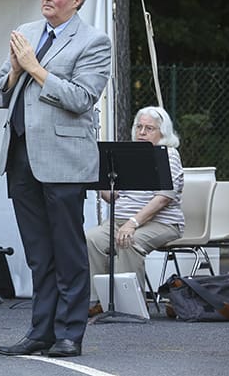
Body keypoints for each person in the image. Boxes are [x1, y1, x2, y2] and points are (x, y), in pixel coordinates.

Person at [0, 0, 111, 358]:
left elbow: (81, 98)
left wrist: (35, 69)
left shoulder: (93, 42)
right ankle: (40, 331)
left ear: (76, 1)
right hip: (21, 155)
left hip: (63, 158)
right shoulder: (25, 33)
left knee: (68, 249)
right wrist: (12, 70)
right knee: (39, 252)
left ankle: (69, 333)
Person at [86, 106, 185, 315]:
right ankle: (97, 301)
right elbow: (112, 195)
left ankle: (131, 307)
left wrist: (132, 223)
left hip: (162, 223)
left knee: (128, 242)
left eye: (149, 128)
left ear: (162, 133)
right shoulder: (129, 154)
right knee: (91, 239)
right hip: (119, 221)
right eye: (139, 127)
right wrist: (103, 186)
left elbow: (163, 199)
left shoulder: (169, 155)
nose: (142, 132)